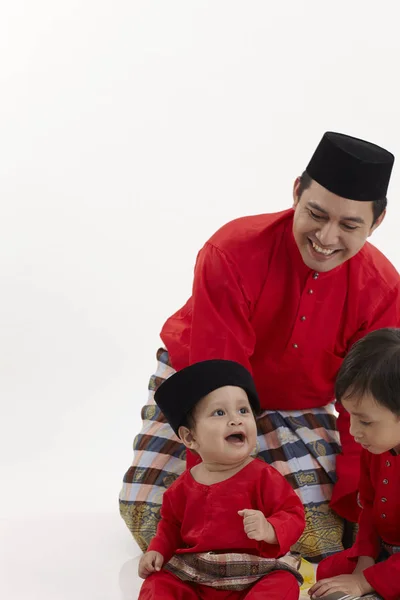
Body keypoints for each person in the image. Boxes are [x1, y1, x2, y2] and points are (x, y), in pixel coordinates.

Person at [120, 131, 400, 561]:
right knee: (156, 522)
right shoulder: (231, 251)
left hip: (298, 408)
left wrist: (358, 500)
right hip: (203, 388)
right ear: (295, 193)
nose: (326, 238)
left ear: (375, 224)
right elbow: (218, 378)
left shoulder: (381, 289)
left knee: (318, 539)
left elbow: (366, 404)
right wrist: (219, 494)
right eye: (315, 214)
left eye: (349, 225)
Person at [138, 359, 305, 600]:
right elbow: (170, 526)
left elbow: (293, 514)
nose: (236, 420)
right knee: (157, 583)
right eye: (219, 412)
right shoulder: (181, 488)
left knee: (283, 583)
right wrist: (156, 550)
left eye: (243, 410)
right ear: (190, 437)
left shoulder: (264, 476)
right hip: (197, 573)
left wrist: (269, 528)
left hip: (254, 572)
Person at [309, 328, 400, 600]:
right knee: (327, 572)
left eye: (366, 421)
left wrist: (364, 583)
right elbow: (370, 506)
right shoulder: (377, 446)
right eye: (351, 417)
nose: (354, 431)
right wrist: (364, 562)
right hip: (386, 550)